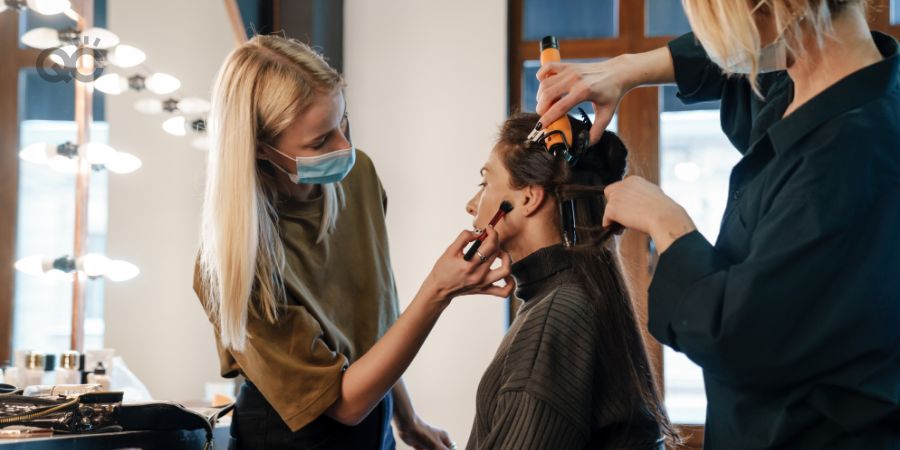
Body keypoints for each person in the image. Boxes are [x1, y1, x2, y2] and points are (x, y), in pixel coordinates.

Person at [535, 0, 900, 448]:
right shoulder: (806, 83)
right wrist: (622, 71)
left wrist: (667, 224)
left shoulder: (847, 157)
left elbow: (741, 336)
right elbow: (732, 60)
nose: (717, 40)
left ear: (771, 6)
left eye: (717, 20)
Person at [193, 34, 513, 450]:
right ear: (259, 148)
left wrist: (408, 419)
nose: (345, 148)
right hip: (291, 434)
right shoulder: (231, 267)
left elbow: (371, 328)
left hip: (373, 417)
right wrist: (438, 291)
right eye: (319, 141)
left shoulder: (358, 176)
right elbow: (342, 404)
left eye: (342, 124)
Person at [464, 113, 678, 450]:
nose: (472, 205)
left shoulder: (557, 315)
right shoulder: (564, 298)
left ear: (529, 198)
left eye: (485, 184)